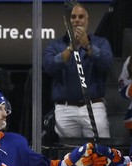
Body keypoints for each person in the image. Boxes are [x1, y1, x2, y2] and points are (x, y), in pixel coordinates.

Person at [43, 3, 113, 138]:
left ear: (87, 20)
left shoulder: (101, 42)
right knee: (68, 155)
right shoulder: (55, 45)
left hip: (94, 106)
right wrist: (70, 48)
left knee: (100, 154)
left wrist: (87, 46)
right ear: (66, 21)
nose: (77, 20)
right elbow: (49, 67)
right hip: (65, 108)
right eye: (73, 17)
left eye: (81, 17)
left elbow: (107, 64)